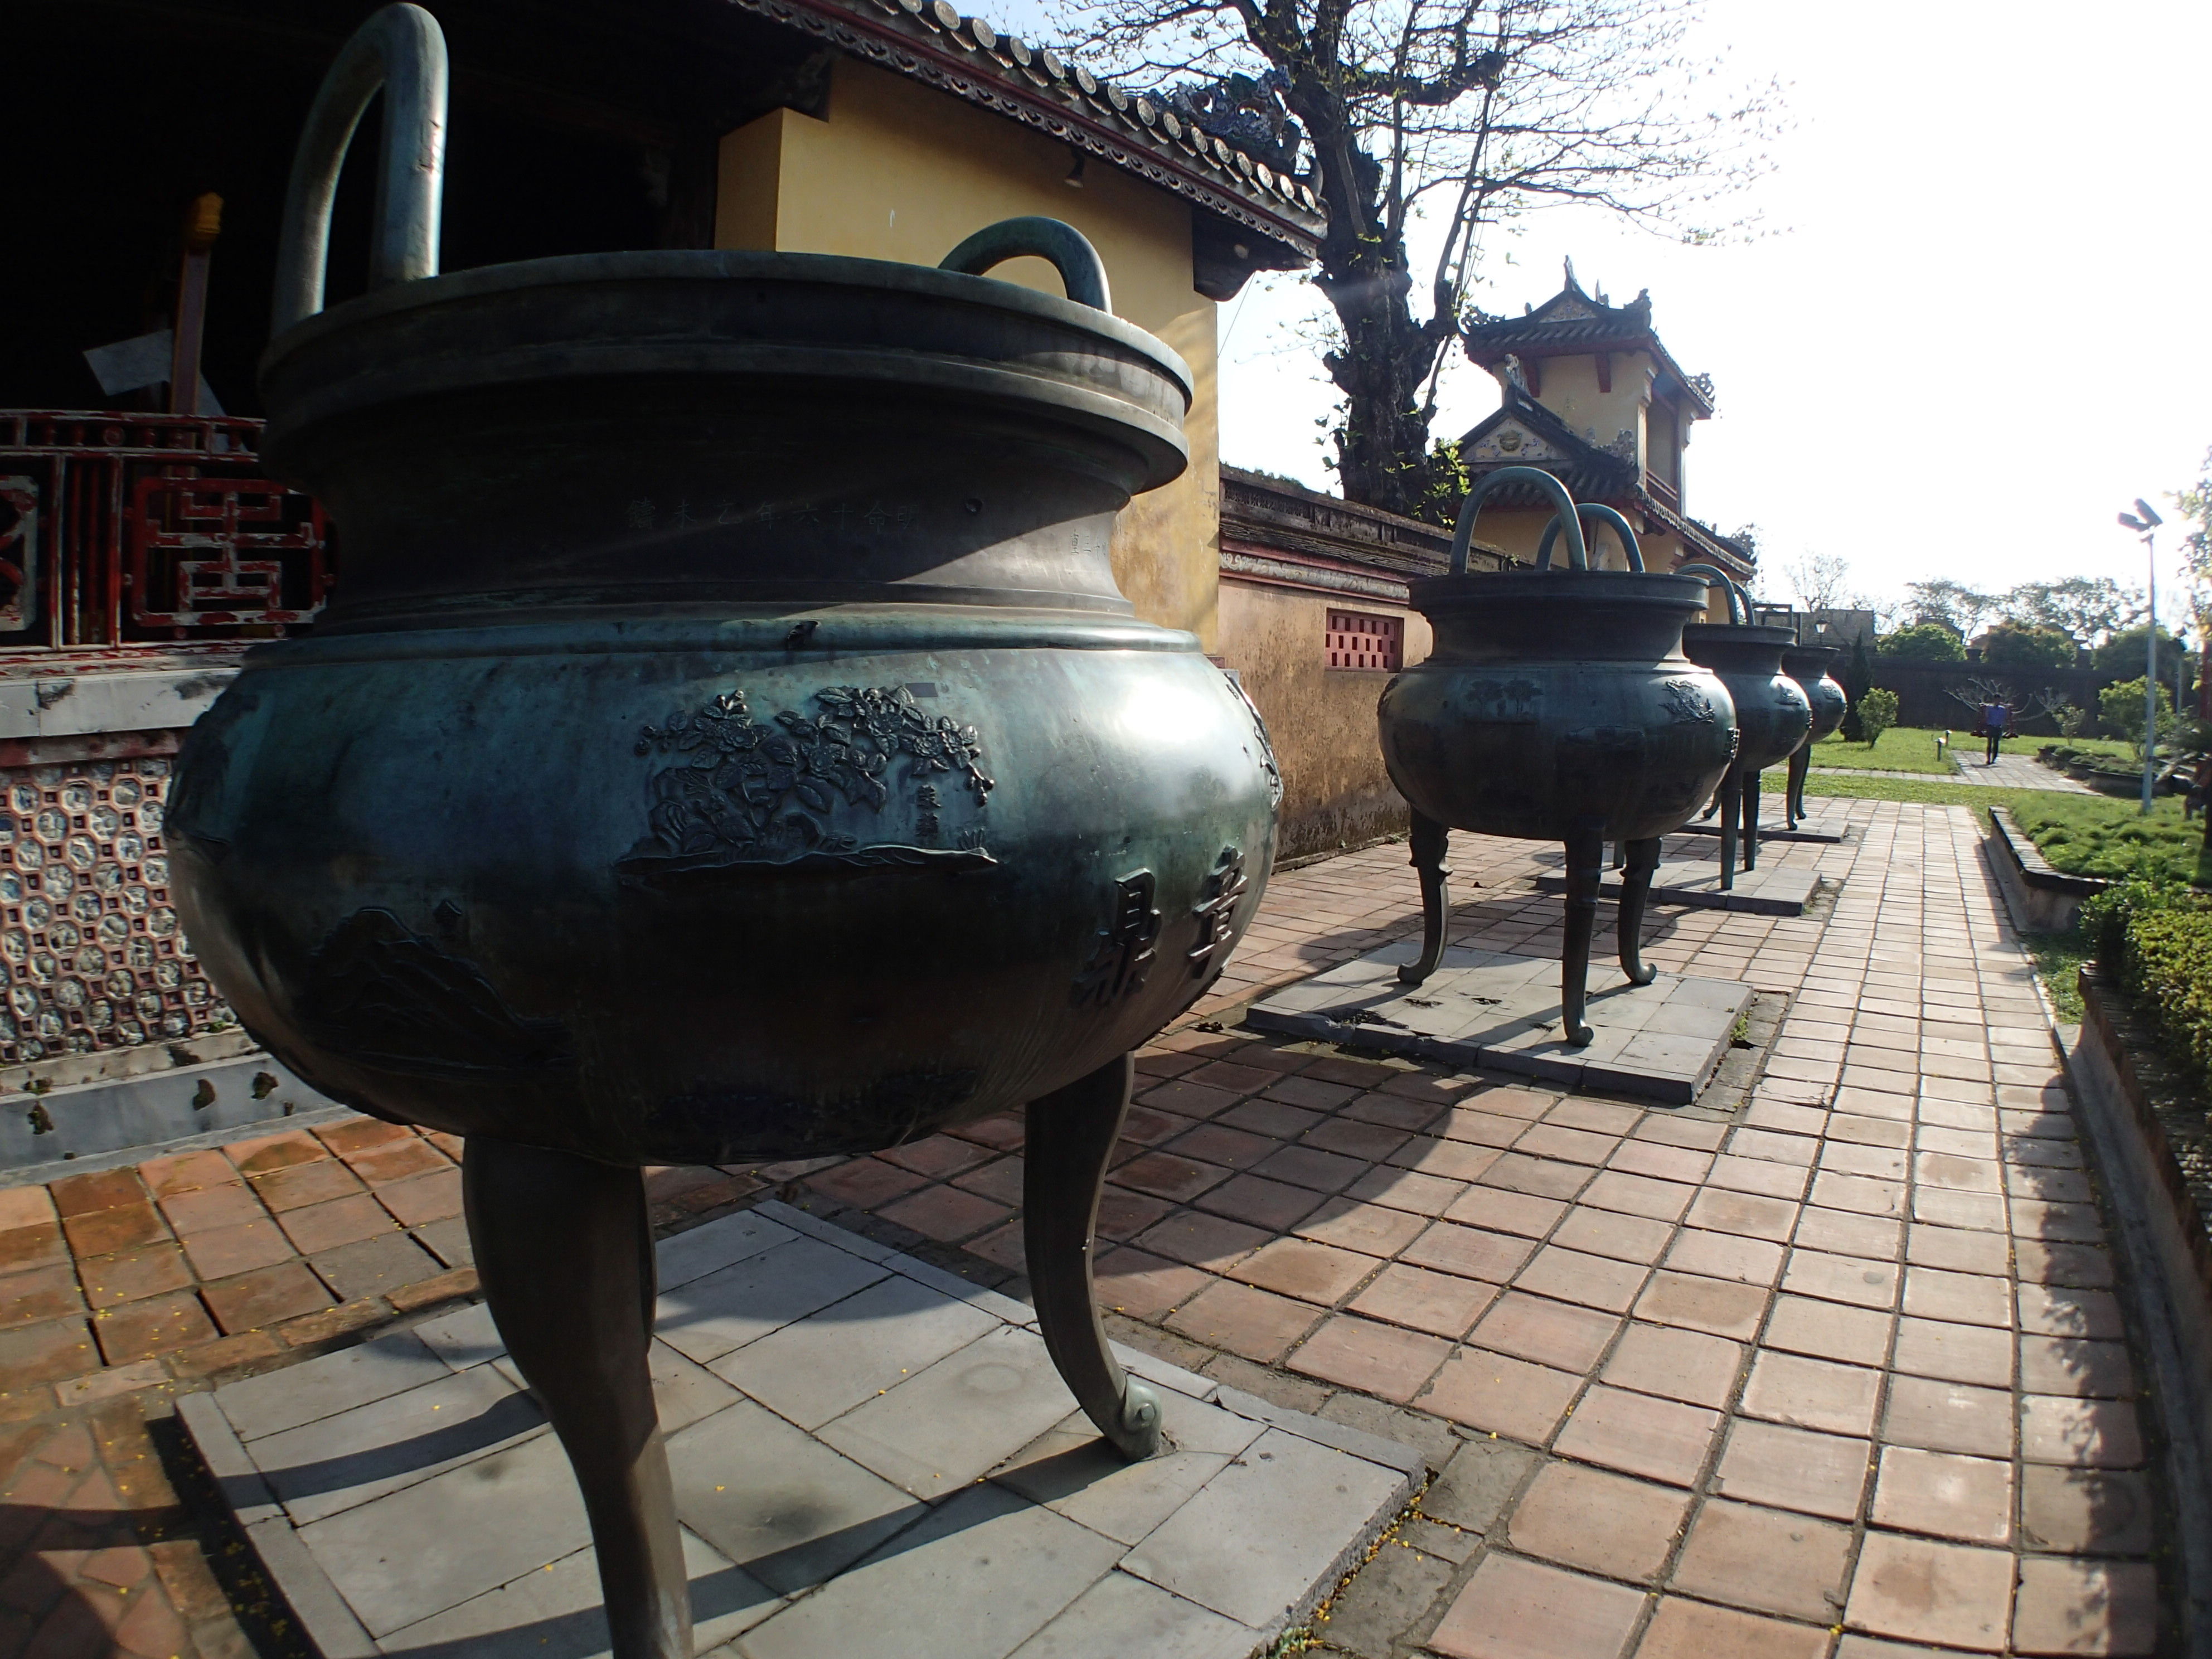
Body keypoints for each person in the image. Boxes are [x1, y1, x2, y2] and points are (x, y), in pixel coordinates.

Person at [1984, 700, 2009, 765]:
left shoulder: (2002, 709)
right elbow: (1986, 716)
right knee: (1989, 743)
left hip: (1998, 727)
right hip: (1991, 726)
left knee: (1996, 744)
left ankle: (1994, 758)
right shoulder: (1990, 708)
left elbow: (2005, 718)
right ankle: (1988, 759)